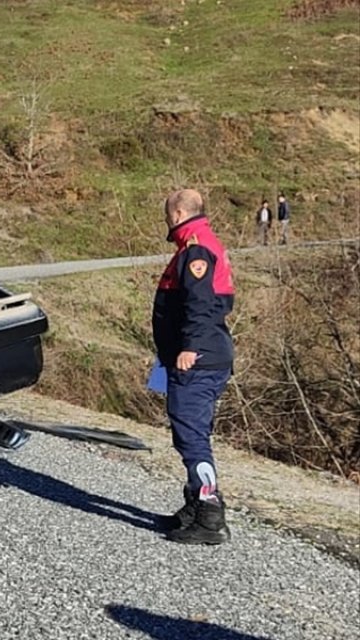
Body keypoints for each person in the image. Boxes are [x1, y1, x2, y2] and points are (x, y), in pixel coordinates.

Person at [152, 188, 236, 545]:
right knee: (188, 431)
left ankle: (209, 515)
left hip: (198, 361)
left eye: (168, 214)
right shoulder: (197, 244)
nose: (166, 221)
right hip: (200, 358)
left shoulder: (196, 247)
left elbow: (201, 304)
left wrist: (190, 347)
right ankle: (195, 502)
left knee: (192, 437)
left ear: (179, 213)